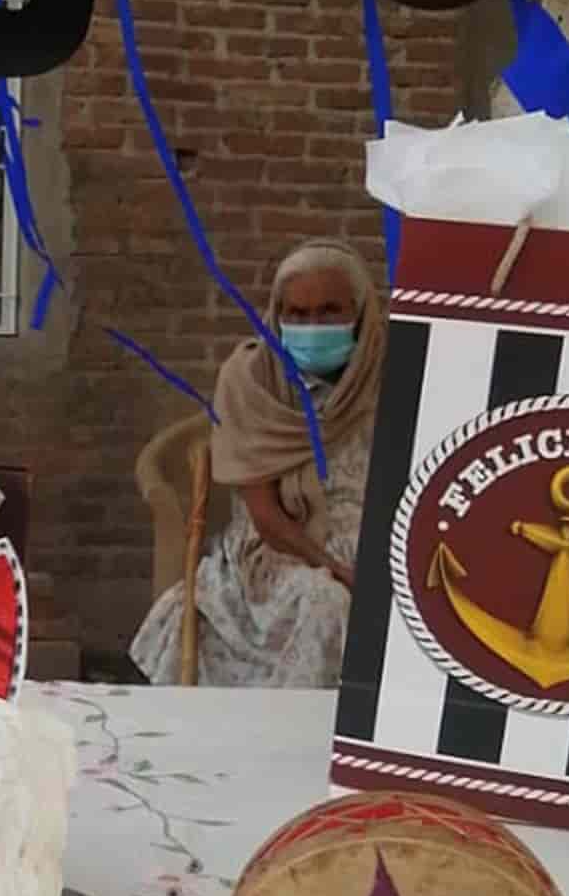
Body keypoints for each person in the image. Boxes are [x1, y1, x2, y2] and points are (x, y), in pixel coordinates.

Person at [131, 239, 387, 689]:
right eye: (297, 314)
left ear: (361, 314)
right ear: (277, 315)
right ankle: (286, 732)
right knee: (325, 601)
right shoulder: (251, 379)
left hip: (375, 547)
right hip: (281, 553)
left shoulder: (390, 378)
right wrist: (337, 569)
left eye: (330, 312)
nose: (312, 326)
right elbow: (266, 518)